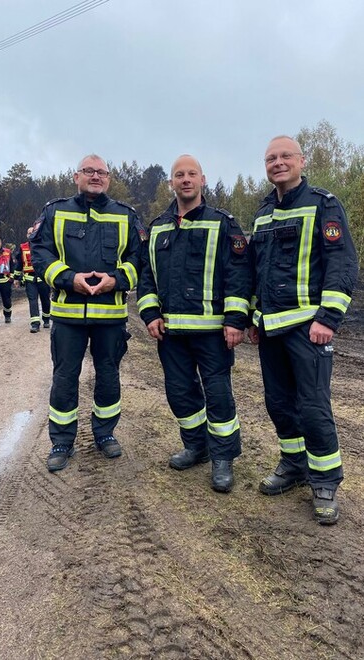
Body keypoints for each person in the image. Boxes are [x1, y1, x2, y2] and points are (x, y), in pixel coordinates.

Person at [248, 135, 358, 524]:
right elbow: (254, 271)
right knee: (278, 403)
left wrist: (328, 318)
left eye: (285, 157)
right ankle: (293, 465)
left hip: (308, 328)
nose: (278, 163)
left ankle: (325, 480)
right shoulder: (261, 213)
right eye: (270, 158)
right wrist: (253, 317)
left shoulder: (323, 205)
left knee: (313, 407)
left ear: (301, 161)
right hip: (271, 328)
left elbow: (342, 264)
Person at [137, 154, 252, 493]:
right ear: (171, 183)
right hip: (171, 333)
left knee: (218, 396)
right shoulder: (157, 226)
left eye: (191, 174)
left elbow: (238, 274)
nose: (185, 179)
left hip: (213, 333)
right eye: (178, 175)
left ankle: (222, 458)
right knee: (180, 393)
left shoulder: (223, 223)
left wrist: (235, 320)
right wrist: (150, 314)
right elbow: (147, 277)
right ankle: (196, 446)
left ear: (203, 180)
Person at [31, 154, 146, 472]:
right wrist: (70, 279)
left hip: (110, 316)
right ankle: (62, 441)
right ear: (76, 176)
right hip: (68, 316)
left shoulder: (125, 215)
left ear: (108, 178)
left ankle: (105, 434)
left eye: (102, 172)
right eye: (89, 171)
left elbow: (139, 258)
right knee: (65, 378)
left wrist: (116, 280)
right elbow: (40, 253)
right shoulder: (55, 211)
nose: (96, 176)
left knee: (108, 377)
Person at [14, 226, 51, 333]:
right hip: (30, 279)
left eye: (33, 232)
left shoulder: (44, 245)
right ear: (26, 235)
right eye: (29, 233)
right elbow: (19, 263)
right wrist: (16, 278)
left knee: (45, 300)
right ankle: (35, 324)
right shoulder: (23, 247)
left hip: (43, 279)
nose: (31, 235)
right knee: (32, 300)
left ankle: (46, 319)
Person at [0, 234, 14, 327]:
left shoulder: (7, 252)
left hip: (5, 281)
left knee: (7, 301)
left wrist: (12, 278)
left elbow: (12, 267)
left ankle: (8, 315)